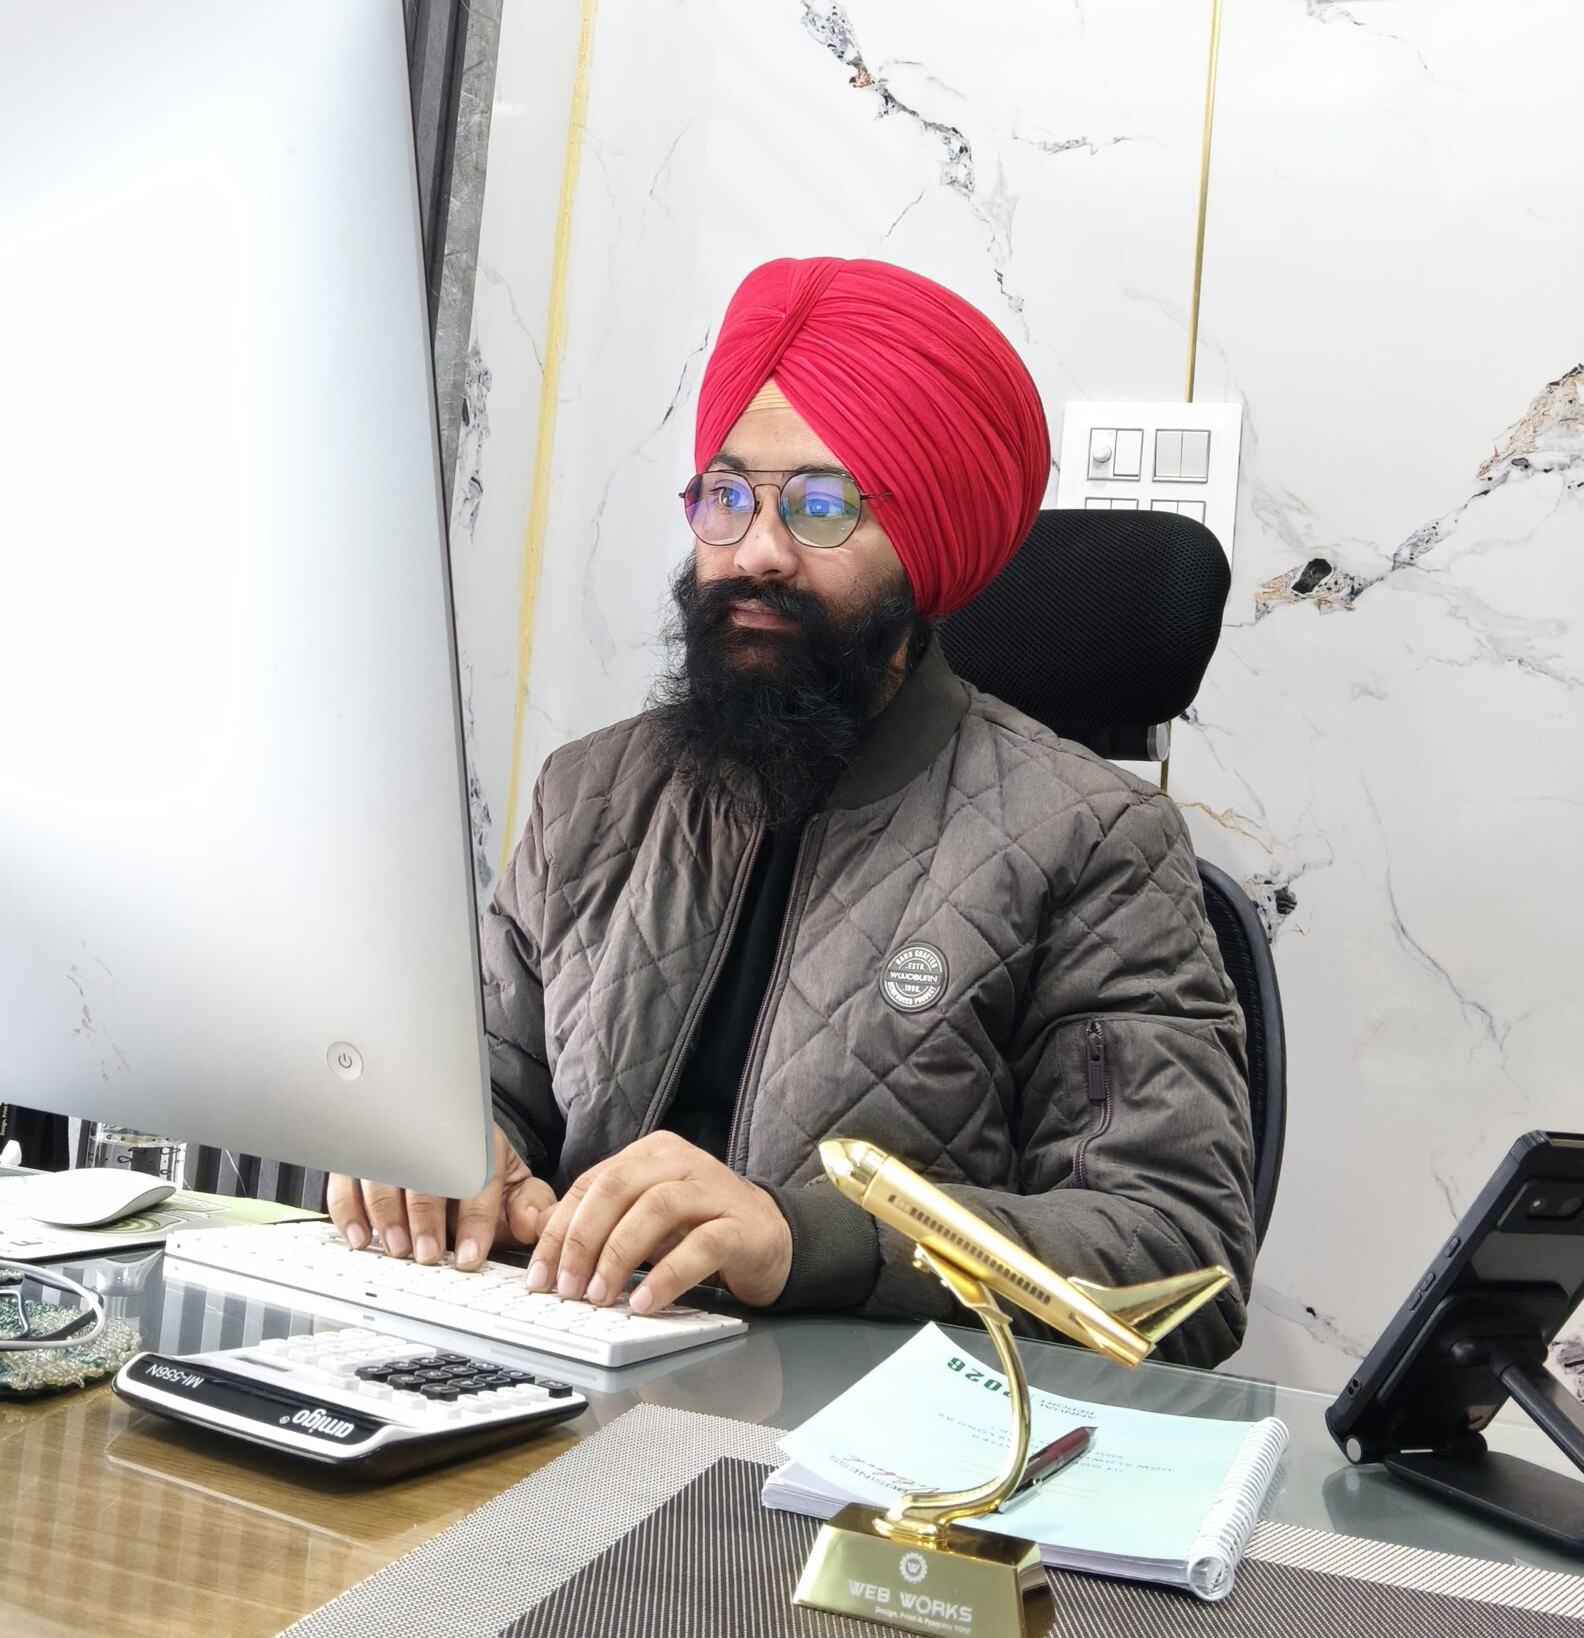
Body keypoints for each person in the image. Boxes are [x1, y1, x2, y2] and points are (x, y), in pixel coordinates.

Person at [329, 256, 1256, 1364]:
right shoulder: (589, 796)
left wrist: (802, 1237)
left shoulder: (1092, 842)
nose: (756, 548)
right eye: (727, 495)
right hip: (542, 1396)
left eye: (822, 504)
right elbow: (490, 1083)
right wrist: (440, 1148)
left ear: (927, 538)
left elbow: (1178, 1264)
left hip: (864, 1474)